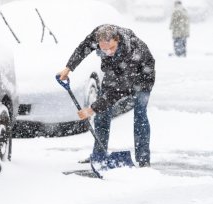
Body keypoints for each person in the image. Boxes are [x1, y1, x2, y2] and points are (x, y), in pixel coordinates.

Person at [58, 24, 155, 167]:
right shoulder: (97, 35)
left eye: (111, 48)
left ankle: (143, 160)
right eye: (103, 49)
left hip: (142, 76)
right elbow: (82, 49)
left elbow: (116, 92)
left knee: (140, 114)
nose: (108, 52)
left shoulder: (131, 52)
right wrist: (68, 68)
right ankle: (99, 155)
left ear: (117, 40)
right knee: (102, 113)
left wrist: (91, 109)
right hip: (116, 71)